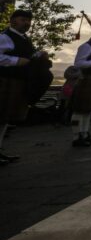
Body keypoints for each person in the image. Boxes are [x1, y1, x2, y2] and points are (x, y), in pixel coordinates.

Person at [0, 10, 46, 163]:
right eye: (23, 19)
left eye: (28, 21)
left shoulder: (24, 38)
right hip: (5, 80)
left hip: (18, 80)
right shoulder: (5, 37)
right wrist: (16, 61)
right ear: (13, 21)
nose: (26, 23)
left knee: (5, 118)